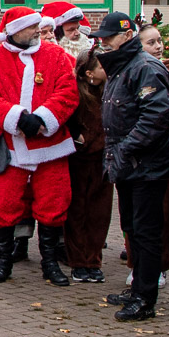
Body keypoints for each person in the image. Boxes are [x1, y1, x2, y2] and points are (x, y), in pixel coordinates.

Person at [0, 6, 79, 287]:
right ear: (14, 30)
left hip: (50, 144)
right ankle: (3, 262)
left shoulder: (56, 56)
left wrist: (44, 118)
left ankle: (49, 263)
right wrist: (18, 118)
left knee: (53, 201)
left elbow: (68, 91)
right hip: (8, 145)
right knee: (2, 204)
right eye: (32, 26)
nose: (38, 30)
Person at [93, 13, 169, 321]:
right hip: (129, 165)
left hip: (147, 166)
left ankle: (145, 298)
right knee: (132, 228)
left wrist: (125, 149)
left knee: (146, 232)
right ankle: (138, 288)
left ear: (126, 36)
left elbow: (155, 118)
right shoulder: (122, 66)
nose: (102, 42)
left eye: (108, 37)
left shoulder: (144, 67)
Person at [63, 46, 113, 283]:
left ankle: (94, 260)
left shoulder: (111, 91)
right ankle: (78, 261)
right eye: (101, 66)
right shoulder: (75, 93)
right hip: (78, 160)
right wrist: (76, 135)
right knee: (77, 211)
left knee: (100, 213)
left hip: (103, 160)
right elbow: (63, 117)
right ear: (87, 72)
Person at [140, 23, 169, 286]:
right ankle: (138, 262)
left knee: (165, 209)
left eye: (159, 41)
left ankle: (160, 266)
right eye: (150, 42)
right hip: (137, 148)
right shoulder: (133, 69)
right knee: (136, 212)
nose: (157, 46)